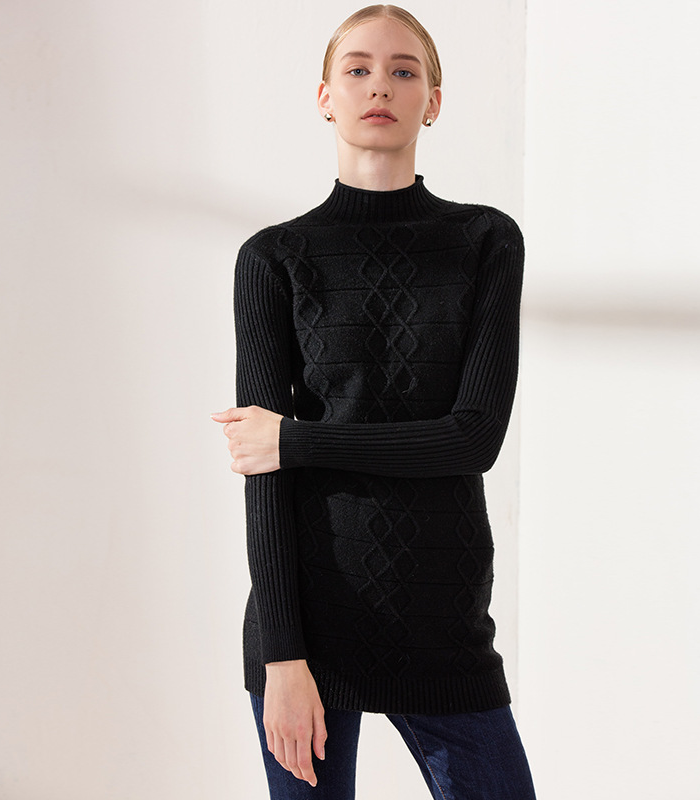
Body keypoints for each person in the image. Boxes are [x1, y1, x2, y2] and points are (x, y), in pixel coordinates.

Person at [211, 5, 536, 798]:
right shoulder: (273, 258)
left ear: (433, 101)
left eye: (403, 70)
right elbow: (263, 477)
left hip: (444, 622)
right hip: (308, 628)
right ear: (326, 97)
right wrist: (283, 658)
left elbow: (474, 438)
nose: (379, 86)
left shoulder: (486, 241)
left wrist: (298, 439)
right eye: (356, 69)